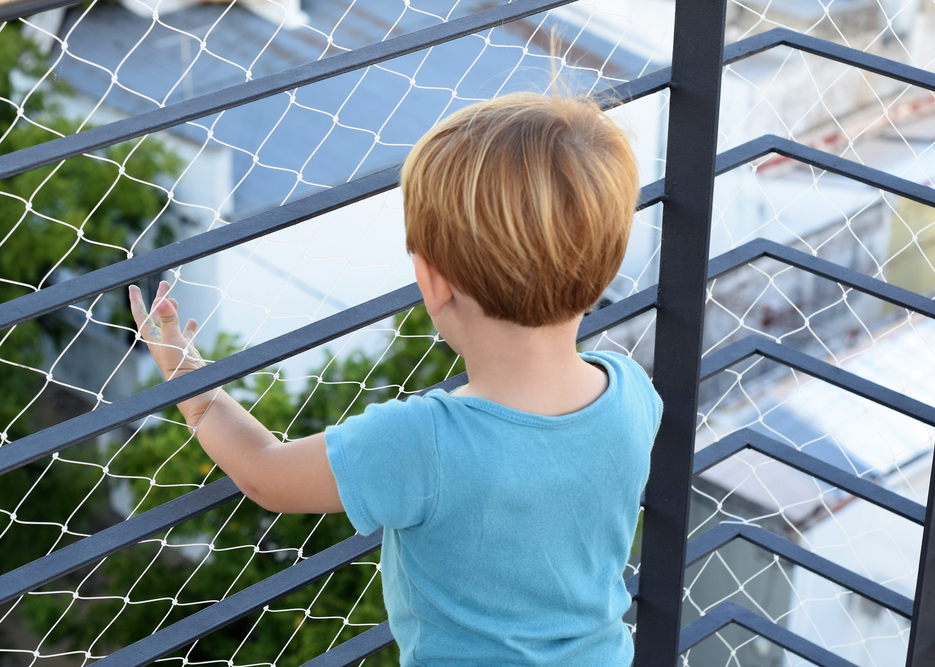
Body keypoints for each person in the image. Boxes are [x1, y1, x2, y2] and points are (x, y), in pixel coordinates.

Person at [128, 90, 663, 666]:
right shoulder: (632, 391)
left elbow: (265, 475)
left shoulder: (425, 442)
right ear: (604, 262)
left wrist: (189, 380)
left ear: (432, 283)